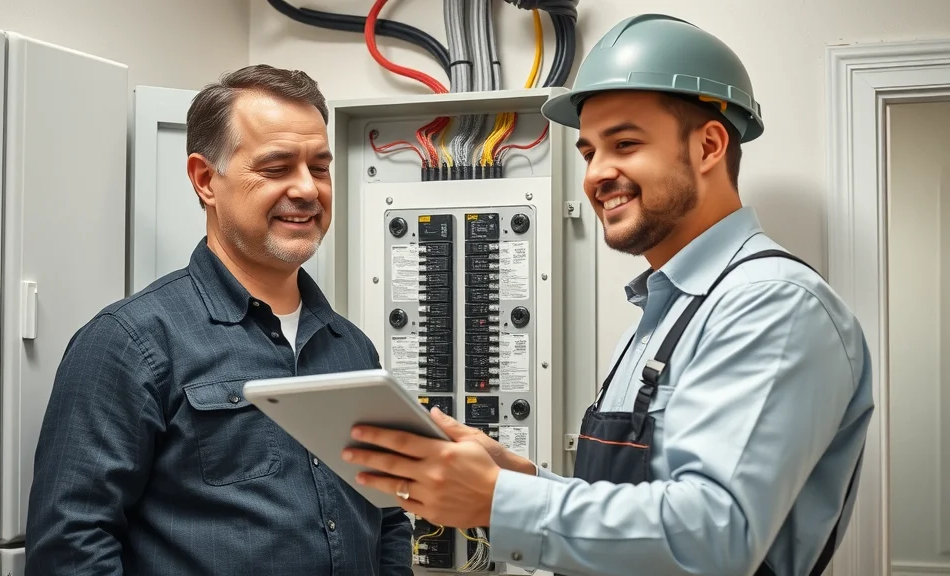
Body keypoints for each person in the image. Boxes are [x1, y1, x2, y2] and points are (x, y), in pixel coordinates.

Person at [341, 14, 874, 576]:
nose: (598, 174)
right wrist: (515, 476)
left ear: (710, 146)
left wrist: (496, 499)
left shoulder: (772, 304)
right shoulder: (667, 308)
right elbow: (638, 507)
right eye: (590, 152)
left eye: (625, 143)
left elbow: (718, 535)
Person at [24, 64, 412, 575]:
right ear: (205, 180)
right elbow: (70, 549)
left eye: (319, 167)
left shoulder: (352, 349)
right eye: (276, 168)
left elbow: (386, 519)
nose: (307, 190)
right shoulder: (130, 343)